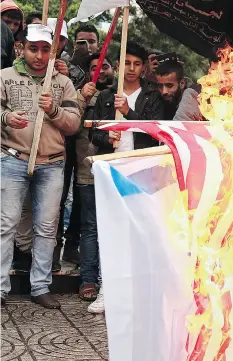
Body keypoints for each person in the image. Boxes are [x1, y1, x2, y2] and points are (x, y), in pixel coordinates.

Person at [1, 24, 81, 309]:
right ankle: (0, 288)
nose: (39, 55)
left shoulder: (62, 82)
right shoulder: (5, 77)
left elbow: (73, 125)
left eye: (45, 49)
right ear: (21, 47)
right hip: (12, 158)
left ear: (53, 51)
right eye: (33, 48)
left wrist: (54, 110)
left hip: (52, 163)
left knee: (47, 228)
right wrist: (6, 119)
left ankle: (40, 286)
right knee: (6, 225)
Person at [88, 41, 165, 313]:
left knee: (139, 231)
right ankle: (106, 291)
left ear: (144, 67)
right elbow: (92, 132)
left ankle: (139, 292)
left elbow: (156, 131)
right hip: (112, 167)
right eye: (126, 63)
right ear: (118, 65)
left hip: (141, 170)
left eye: (136, 64)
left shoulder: (152, 97)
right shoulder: (107, 95)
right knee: (110, 230)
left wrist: (129, 112)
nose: (131, 69)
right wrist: (105, 136)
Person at [75, 54, 115, 303]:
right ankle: (88, 278)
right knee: (90, 227)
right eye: (93, 68)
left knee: (113, 227)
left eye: (104, 66)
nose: (99, 71)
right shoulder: (82, 94)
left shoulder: (114, 96)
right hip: (85, 168)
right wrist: (82, 98)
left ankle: (110, 281)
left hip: (113, 168)